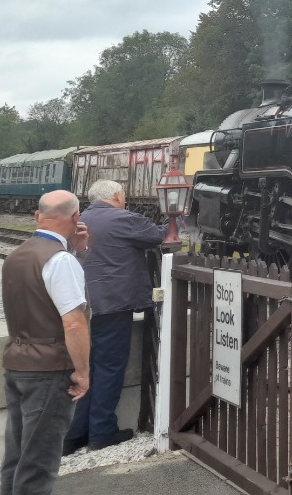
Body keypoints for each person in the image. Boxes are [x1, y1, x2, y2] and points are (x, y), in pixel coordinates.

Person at [63, 179, 167, 454]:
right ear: (118, 195)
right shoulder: (123, 218)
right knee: (109, 367)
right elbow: (158, 236)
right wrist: (174, 216)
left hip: (79, 306)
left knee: (84, 369)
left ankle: (74, 434)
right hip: (112, 305)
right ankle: (102, 431)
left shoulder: (79, 218)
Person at [1, 190, 90, 495]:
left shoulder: (17, 255)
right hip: (49, 370)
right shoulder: (60, 261)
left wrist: (76, 250)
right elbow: (74, 322)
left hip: (16, 362)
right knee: (39, 462)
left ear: (38, 217)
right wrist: (82, 372)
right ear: (75, 218)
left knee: (16, 457)